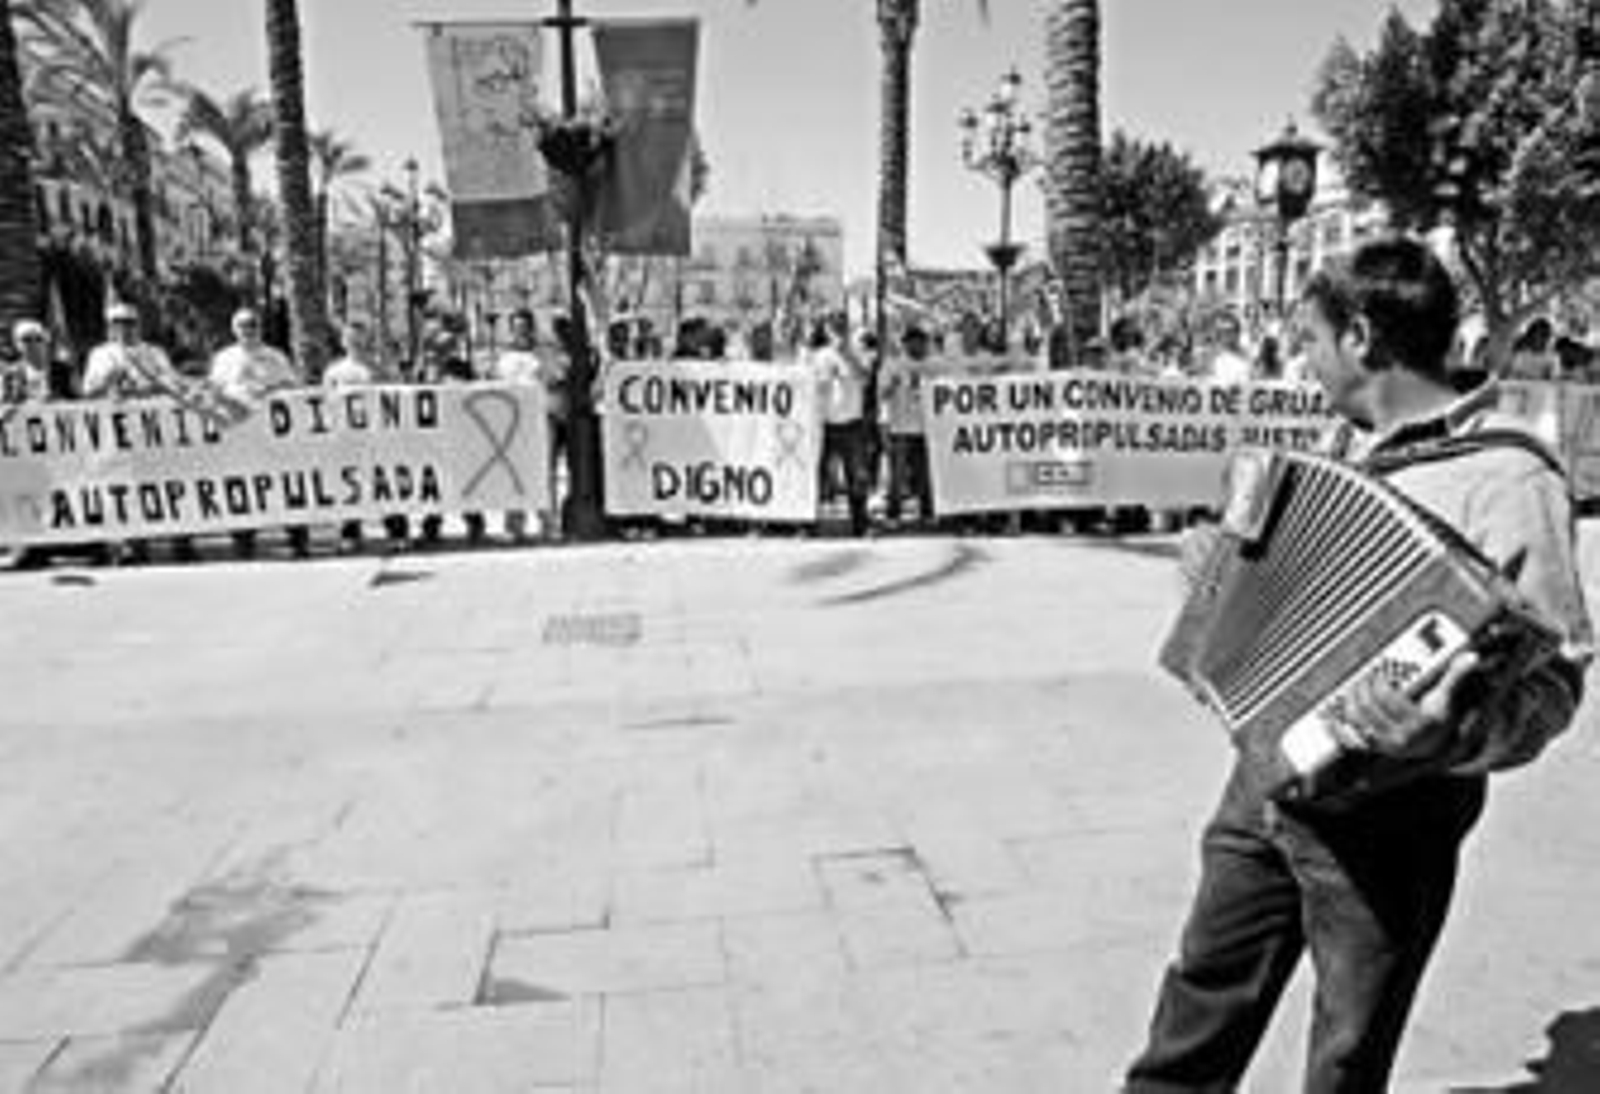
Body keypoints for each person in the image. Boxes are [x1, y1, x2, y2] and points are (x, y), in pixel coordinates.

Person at [1125, 236, 1593, 1094]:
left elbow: (1557, 679)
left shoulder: (1508, 479)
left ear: (1363, 338)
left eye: (1310, 340)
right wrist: (1216, 577)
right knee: (1199, 1002)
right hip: (1265, 780)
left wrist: (1447, 734)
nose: (1304, 364)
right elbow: (1273, 576)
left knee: (1345, 1052)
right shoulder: (1334, 443)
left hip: (1394, 816)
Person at [82, 301, 199, 564]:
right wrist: (109, 379)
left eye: (129, 322)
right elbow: (88, 392)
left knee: (169, 484)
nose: (124, 328)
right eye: (117, 323)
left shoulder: (154, 353)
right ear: (110, 327)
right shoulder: (100, 354)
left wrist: (149, 387)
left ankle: (181, 542)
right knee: (129, 489)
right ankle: (133, 545)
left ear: (138, 324)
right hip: (120, 433)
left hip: (156, 431)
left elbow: (173, 384)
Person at [209, 307, 308, 560]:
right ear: (234, 329)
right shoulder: (224, 358)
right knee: (241, 483)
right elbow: (214, 390)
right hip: (239, 433)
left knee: (284, 482)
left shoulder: (275, 356)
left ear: (259, 328)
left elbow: (292, 385)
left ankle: (297, 538)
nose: (248, 330)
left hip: (272, 433)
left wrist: (268, 390)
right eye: (242, 325)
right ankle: (243, 541)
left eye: (252, 325)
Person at [488, 309, 560, 542]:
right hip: (511, 425)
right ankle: (514, 523)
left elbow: (554, 382)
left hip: (540, 421)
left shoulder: (543, 355)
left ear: (532, 329)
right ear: (511, 330)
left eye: (525, 327)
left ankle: (548, 522)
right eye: (516, 327)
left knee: (543, 472)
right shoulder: (503, 358)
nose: (521, 331)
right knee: (513, 473)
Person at [808, 315, 871, 537]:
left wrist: (848, 356)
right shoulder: (819, 356)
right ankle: (809, 523)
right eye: (835, 329)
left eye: (842, 328)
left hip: (852, 424)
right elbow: (810, 386)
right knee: (816, 475)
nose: (839, 333)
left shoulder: (858, 352)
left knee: (857, 476)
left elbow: (866, 377)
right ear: (827, 330)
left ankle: (860, 525)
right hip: (824, 424)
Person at [881, 324, 936, 528]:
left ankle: (928, 512)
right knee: (897, 476)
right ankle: (893, 514)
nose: (917, 345)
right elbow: (882, 395)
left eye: (921, 341)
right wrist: (892, 386)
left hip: (927, 428)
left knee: (926, 475)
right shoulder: (893, 364)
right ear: (905, 344)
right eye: (912, 341)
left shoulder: (933, 365)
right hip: (900, 428)